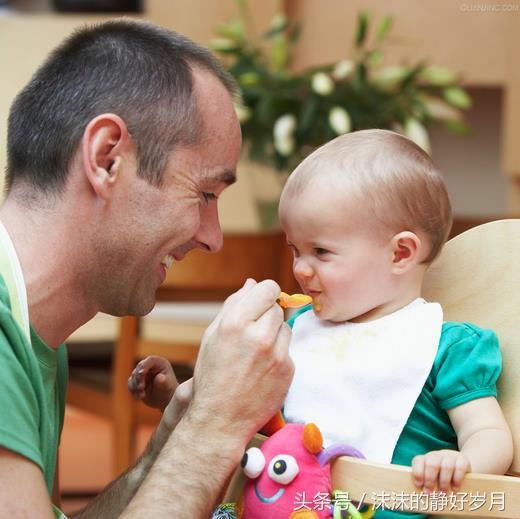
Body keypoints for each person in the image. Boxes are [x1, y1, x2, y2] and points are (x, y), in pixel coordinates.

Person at [133, 130, 514, 518]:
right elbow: (246, 413)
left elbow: (490, 436)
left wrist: (461, 464)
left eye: (321, 252)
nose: (300, 268)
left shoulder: (446, 347)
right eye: (295, 250)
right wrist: (177, 396)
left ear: (400, 253)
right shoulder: (296, 330)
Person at [0, 19, 293, 518]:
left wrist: (163, 452)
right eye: (204, 194)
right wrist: (216, 424)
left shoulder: (34, 335)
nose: (212, 236)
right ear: (107, 157)